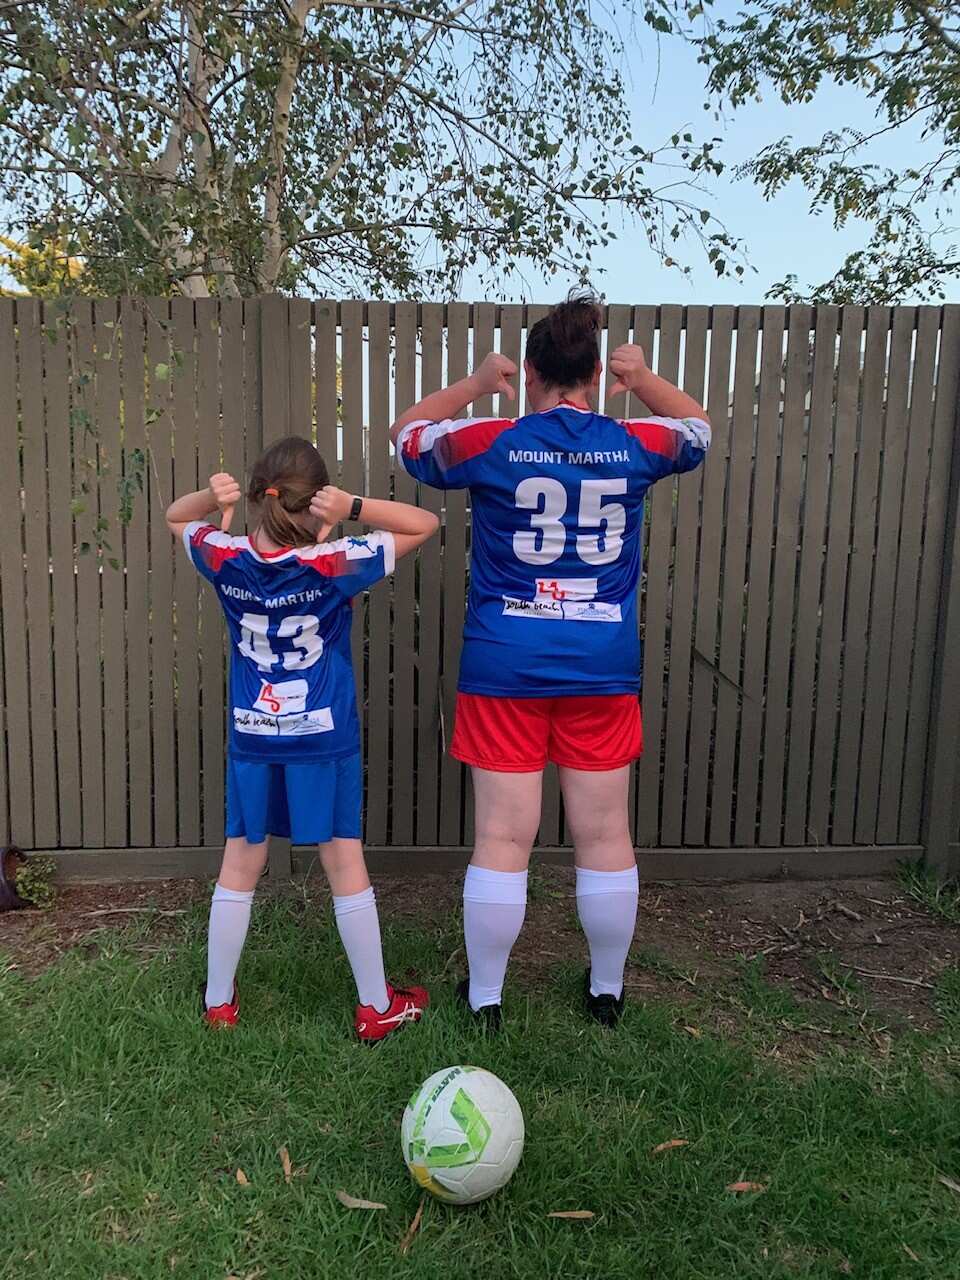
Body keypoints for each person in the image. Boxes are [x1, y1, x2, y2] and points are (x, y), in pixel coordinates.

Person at [391, 292, 710, 1028]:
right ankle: (606, 993)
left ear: (530, 371)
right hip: (600, 664)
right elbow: (698, 430)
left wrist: (475, 384)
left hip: (506, 663)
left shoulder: (491, 441)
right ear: (595, 372)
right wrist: (645, 379)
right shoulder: (637, 444)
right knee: (603, 832)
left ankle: (488, 1000)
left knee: (504, 836)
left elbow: (406, 436)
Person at [166, 436, 438, 1040]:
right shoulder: (334, 563)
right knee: (343, 859)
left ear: (261, 496)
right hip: (322, 735)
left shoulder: (225, 556)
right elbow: (425, 523)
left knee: (242, 859)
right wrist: (355, 508)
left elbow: (176, 517)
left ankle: (218, 1003)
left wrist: (210, 498)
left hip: (255, 733)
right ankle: (376, 1006)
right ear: (317, 501)